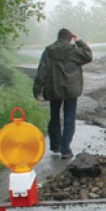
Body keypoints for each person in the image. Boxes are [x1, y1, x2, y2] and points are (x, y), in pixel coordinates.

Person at [33, 28, 93, 159]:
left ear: (58, 37)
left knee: (54, 117)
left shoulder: (48, 51)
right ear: (70, 38)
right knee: (69, 119)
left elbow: (42, 71)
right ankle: (65, 149)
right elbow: (88, 55)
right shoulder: (74, 51)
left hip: (53, 88)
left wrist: (37, 89)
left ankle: (55, 146)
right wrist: (80, 41)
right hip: (71, 90)